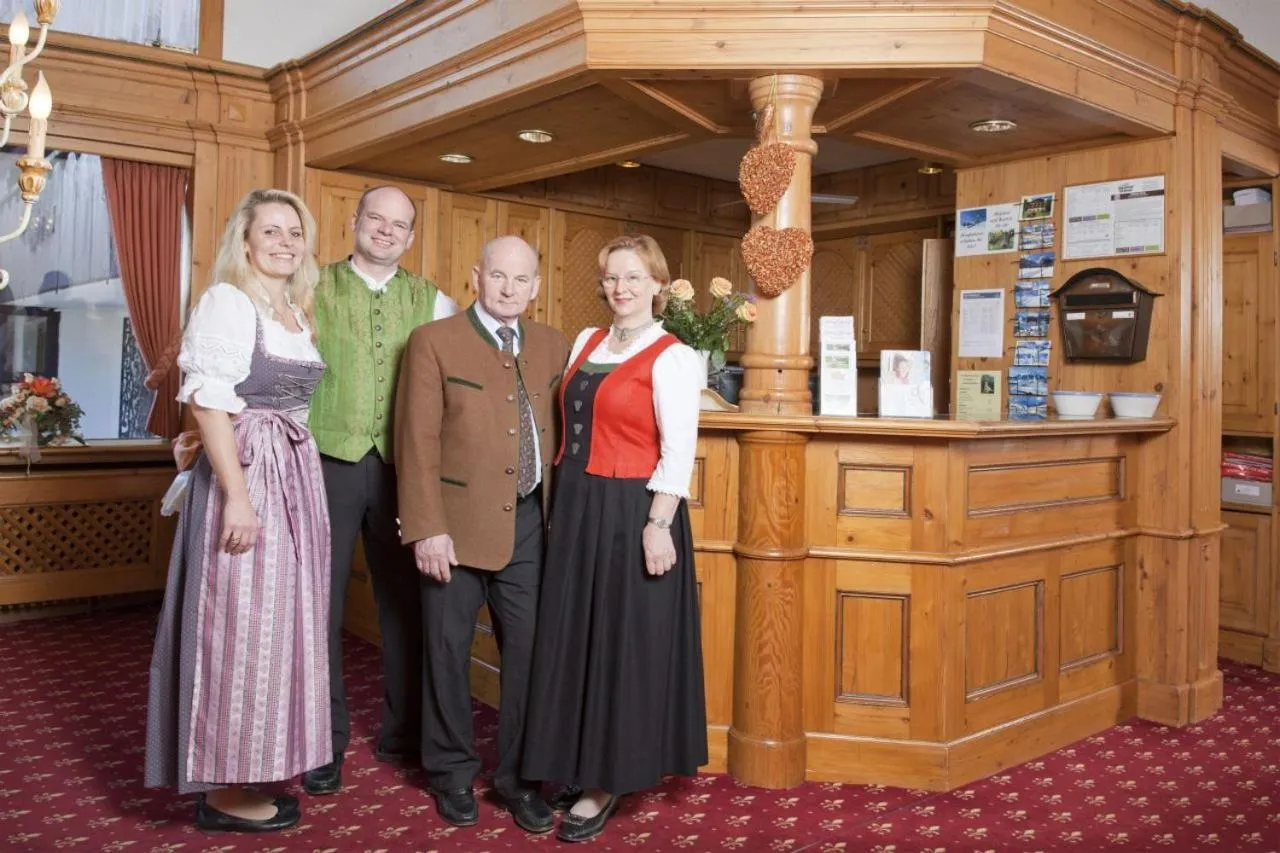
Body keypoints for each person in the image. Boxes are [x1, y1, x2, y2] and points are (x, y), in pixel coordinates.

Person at [145, 188, 330, 832]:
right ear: (244, 241)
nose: (285, 242)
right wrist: (238, 498)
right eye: (270, 230)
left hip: (292, 478)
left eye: (294, 232)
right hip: (248, 478)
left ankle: (252, 764)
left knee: (273, 629)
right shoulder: (228, 301)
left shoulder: (295, 311)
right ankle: (220, 789)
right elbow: (208, 400)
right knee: (233, 626)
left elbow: (289, 408)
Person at [522, 233, 708, 843]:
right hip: (577, 505)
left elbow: (678, 450)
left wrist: (658, 525)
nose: (621, 288)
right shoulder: (587, 340)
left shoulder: (675, 357)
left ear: (658, 285)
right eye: (611, 278)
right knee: (577, 636)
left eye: (633, 277)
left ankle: (607, 780)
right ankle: (577, 760)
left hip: (633, 510)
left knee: (620, 644)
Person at [395, 235, 568, 833]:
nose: (509, 288)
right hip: (453, 528)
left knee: (530, 654)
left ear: (535, 287)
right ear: (476, 276)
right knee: (446, 652)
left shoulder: (553, 344)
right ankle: (449, 773)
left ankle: (519, 779)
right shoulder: (432, 341)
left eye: (521, 279)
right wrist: (426, 528)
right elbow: (415, 441)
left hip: (529, 526)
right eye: (498, 276)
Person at [303, 185, 457, 795]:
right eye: (376, 218)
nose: (386, 230)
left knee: (409, 604)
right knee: (319, 606)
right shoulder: (310, 286)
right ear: (355, 221)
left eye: (399, 224)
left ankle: (407, 733)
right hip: (326, 461)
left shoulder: (434, 300)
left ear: (411, 237)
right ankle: (321, 741)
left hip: (403, 469)